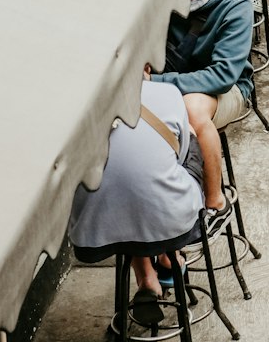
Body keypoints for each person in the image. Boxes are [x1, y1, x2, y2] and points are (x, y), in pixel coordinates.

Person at [68, 80, 204, 321]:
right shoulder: (167, 92)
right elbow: (179, 156)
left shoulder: (70, 102)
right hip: (171, 223)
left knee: (125, 198)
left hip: (93, 233)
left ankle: (147, 280)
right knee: (182, 147)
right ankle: (170, 257)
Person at [147, 0, 254, 214]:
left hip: (225, 91)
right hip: (172, 79)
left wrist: (156, 83)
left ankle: (215, 203)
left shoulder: (236, 4)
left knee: (190, 109)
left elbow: (223, 76)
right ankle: (155, 234)